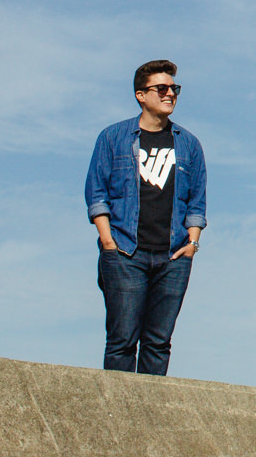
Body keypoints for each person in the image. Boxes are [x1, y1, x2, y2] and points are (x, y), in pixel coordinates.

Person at [84, 60, 207, 374]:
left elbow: (197, 201)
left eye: (174, 89)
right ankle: (116, 414)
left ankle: (149, 418)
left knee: (158, 342)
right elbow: (97, 192)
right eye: (162, 89)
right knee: (123, 339)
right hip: (125, 252)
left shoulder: (189, 144)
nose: (170, 94)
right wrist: (108, 240)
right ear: (141, 95)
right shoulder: (113, 138)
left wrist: (192, 244)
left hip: (173, 256)